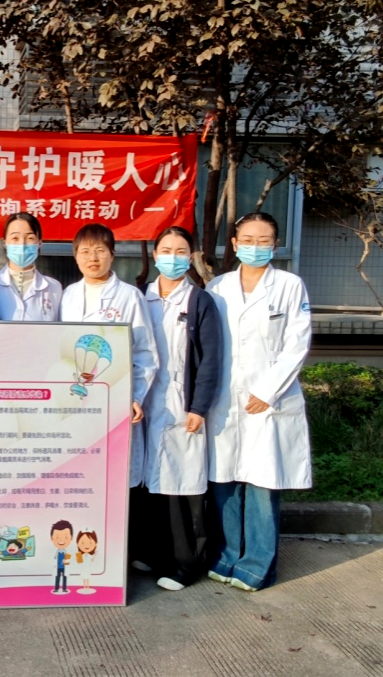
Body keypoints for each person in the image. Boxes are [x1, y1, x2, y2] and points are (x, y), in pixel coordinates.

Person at [205, 212, 312, 592]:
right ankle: (226, 556)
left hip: (268, 401)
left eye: (263, 241)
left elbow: (297, 344)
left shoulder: (289, 286)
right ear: (234, 244)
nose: (255, 247)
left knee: (263, 484)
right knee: (225, 482)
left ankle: (257, 567)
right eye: (247, 240)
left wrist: (267, 392)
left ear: (275, 245)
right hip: (225, 399)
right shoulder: (217, 287)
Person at [136, 226, 223, 592]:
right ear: (155, 255)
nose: (173, 257)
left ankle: (186, 565)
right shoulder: (140, 296)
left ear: (190, 257)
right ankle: (153, 553)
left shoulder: (199, 301)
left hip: (181, 404)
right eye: (166, 250)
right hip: (144, 400)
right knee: (149, 482)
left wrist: (199, 406)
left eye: (181, 251)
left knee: (182, 486)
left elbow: (211, 360)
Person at [59, 223, 157, 430]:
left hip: (115, 395)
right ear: (75, 256)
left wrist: (135, 396)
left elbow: (145, 353)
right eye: (85, 252)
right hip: (70, 396)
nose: (93, 258)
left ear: (112, 255)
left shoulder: (129, 296)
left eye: (100, 251)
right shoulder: (68, 295)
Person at [0, 212, 62, 322]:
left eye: (30, 238)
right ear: (5, 243)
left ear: (39, 243)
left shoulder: (54, 287)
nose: (22, 244)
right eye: (15, 238)